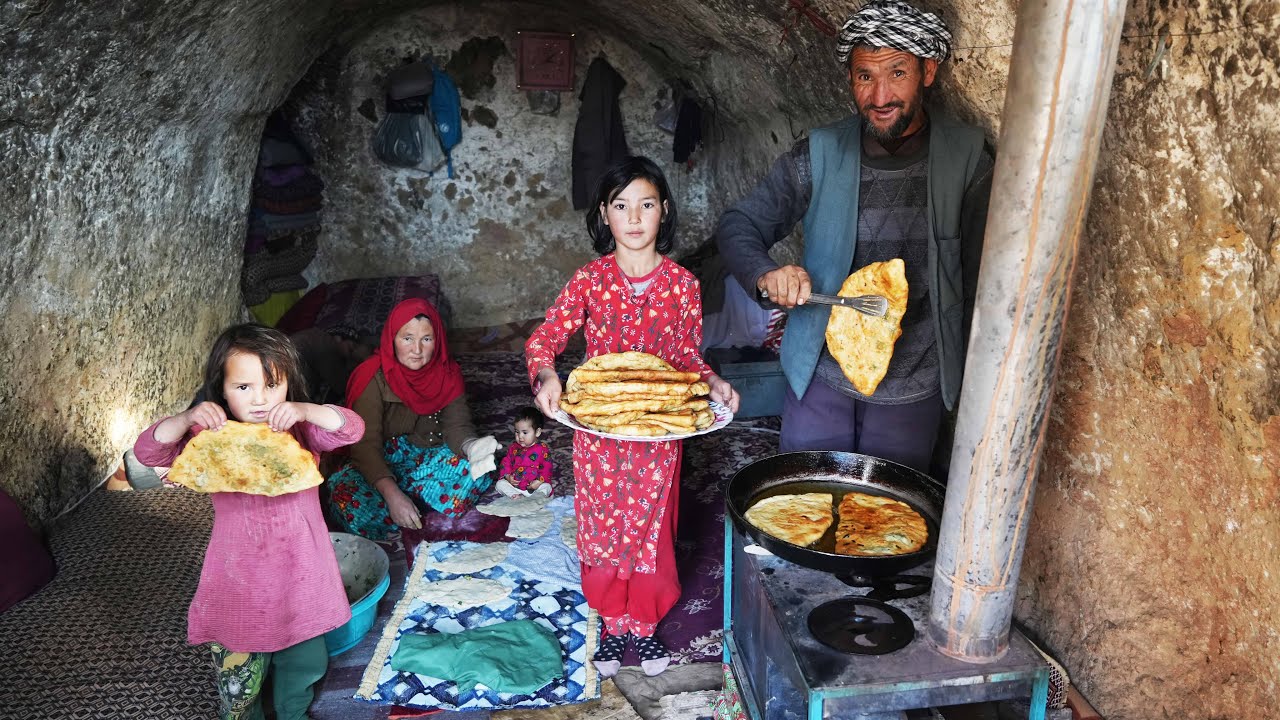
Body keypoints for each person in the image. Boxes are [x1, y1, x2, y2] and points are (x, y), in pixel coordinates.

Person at [715, 0, 994, 473]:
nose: (880, 95)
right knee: (802, 505)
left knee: (888, 525)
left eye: (897, 73)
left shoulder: (967, 159)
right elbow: (739, 225)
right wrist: (767, 275)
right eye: (866, 76)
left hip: (913, 383)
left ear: (928, 71)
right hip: (821, 375)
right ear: (850, 79)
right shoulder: (819, 153)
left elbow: (986, 280)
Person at [527, 155, 741, 678]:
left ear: (663, 211)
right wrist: (547, 377)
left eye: (646, 204)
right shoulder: (590, 280)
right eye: (621, 206)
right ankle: (609, 619)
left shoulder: (683, 285)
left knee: (650, 527)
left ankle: (642, 626)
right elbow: (545, 338)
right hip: (597, 430)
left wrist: (711, 381)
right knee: (602, 526)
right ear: (605, 215)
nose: (635, 217)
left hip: (657, 432)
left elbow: (687, 359)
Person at [132, 324, 365, 720]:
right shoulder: (209, 440)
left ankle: (294, 710)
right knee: (240, 678)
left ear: (289, 382)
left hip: (302, 571)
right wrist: (187, 416)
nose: (260, 400)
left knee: (304, 659)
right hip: (239, 579)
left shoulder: (301, 432)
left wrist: (306, 410)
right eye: (243, 388)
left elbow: (350, 428)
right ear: (220, 390)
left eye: (272, 385)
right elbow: (148, 452)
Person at [327, 298, 499, 540]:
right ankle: (417, 501)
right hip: (379, 462)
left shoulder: (448, 372)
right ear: (392, 339)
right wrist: (392, 494)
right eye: (407, 338)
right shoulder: (371, 377)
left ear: (437, 341)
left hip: (425, 456)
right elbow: (364, 446)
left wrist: (472, 447)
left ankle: (415, 500)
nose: (416, 350)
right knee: (349, 497)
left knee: (473, 469)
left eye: (426, 339)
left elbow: (457, 426)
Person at [495, 406, 554, 498]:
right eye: (517, 432)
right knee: (500, 484)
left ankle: (536, 499)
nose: (520, 436)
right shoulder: (513, 447)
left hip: (534, 488)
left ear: (537, 432)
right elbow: (506, 462)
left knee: (546, 487)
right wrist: (507, 476)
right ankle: (516, 496)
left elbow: (547, 467)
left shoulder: (542, 449)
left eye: (525, 432)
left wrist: (539, 481)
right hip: (516, 487)